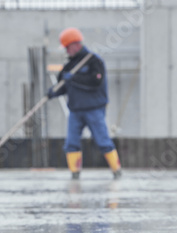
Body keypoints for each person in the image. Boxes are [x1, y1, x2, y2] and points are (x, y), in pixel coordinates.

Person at [47, 27, 122, 180]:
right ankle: (75, 174)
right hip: (75, 111)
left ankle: (116, 170)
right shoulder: (69, 66)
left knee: (103, 141)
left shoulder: (94, 61)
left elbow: (96, 81)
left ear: (75, 44)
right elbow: (63, 85)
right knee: (71, 143)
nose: (67, 51)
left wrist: (74, 79)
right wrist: (53, 92)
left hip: (94, 110)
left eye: (67, 47)